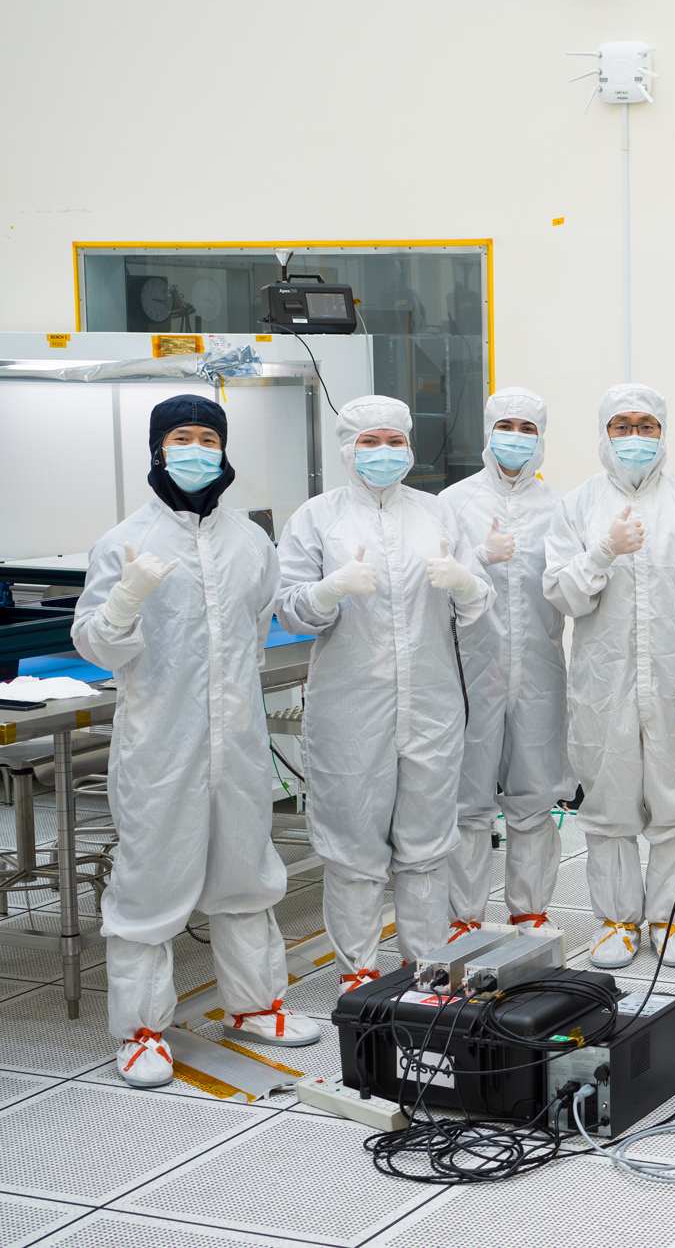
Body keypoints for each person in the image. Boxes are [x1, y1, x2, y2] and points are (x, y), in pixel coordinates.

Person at [72, 396, 317, 1086]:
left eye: (207, 437)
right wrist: (125, 599)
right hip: (158, 747)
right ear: (157, 448)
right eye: (181, 436)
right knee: (149, 885)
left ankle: (255, 1003)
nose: (196, 448)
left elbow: (260, 620)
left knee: (245, 872)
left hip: (236, 742)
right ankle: (143, 1030)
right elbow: (93, 642)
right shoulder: (124, 541)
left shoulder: (251, 541)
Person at [276, 396, 492, 990]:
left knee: (425, 844)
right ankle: (358, 974)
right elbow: (289, 610)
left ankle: (426, 968)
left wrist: (465, 582)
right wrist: (329, 591)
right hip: (351, 709)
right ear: (347, 449)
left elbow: (480, 604)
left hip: (431, 704)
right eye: (369, 442)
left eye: (394, 441)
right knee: (352, 847)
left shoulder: (437, 515)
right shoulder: (317, 518)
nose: (383, 452)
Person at [544, 384, 675, 970]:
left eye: (646, 426)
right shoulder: (577, 506)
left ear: (662, 432)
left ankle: (672, 917)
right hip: (603, 689)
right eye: (622, 426)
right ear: (604, 434)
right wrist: (602, 551)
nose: (635, 437)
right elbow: (562, 594)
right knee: (608, 809)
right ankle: (616, 923)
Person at [438, 388, 577, 940]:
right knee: (468, 802)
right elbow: (433, 584)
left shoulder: (559, 507)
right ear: (488, 430)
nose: (515, 436)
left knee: (534, 798)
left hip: (540, 671)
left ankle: (530, 911)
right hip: (469, 671)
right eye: (506, 424)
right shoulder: (452, 503)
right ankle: (463, 917)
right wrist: (476, 558)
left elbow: (571, 589)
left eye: (527, 427)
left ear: (541, 438)